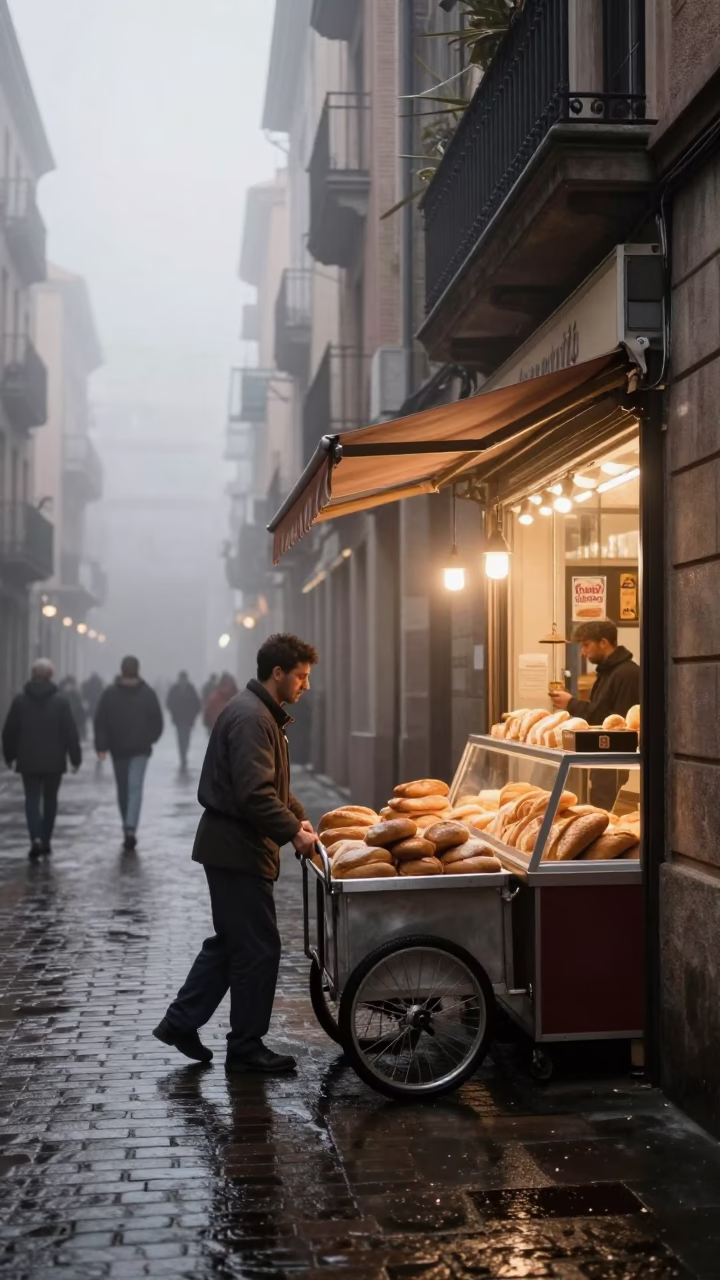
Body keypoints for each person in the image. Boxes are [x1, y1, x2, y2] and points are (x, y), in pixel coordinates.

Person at [153, 633, 319, 1075]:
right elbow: (255, 794)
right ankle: (246, 1046)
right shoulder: (251, 718)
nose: (306, 685)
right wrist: (293, 833)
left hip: (234, 847)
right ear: (277, 673)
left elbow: (273, 787)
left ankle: (180, 1023)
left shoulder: (260, 713)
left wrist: (299, 819)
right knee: (259, 948)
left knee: (233, 943)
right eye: (301, 676)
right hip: (237, 850)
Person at [550, 619, 640, 811]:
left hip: (616, 764)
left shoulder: (627, 674)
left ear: (604, 642)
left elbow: (615, 722)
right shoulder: (608, 673)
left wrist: (571, 704)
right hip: (604, 760)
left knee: (607, 813)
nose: (583, 652)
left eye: (586, 645)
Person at [1, 658, 82, 857]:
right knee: (50, 800)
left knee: (31, 798)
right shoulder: (61, 702)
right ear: (51, 676)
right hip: (54, 760)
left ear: (32, 675)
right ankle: (46, 838)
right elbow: (70, 732)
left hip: (28, 758)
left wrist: (9, 755)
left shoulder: (20, 701)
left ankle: (35, 836)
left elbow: (10, 731)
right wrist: (75, 758)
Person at [94, 655, 163, 851]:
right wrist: (150, 738)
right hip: (139, 748)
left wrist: (102, 746)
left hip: (119, 748)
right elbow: (157, 720)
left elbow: (100, 721)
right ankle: (130, 826)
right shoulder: (147, 693)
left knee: (124, 788)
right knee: (134, 787)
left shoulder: (110, 694)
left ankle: (128, 825)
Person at [166, 671, 202, 771]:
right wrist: (173, 711)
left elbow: (197, 704)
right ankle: (182, 755)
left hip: (188, 719)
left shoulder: (191, 689)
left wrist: (193, 714)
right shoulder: (174, 689)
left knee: (186, 737)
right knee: (180, 737)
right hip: (178, 719)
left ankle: (184, 753)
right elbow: (169, 702)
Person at [59, 675, 88, 742]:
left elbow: (81, 716)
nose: (71, 687)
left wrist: (83, 733)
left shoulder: (76, 696)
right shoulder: (59, 695)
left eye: (73, 685)